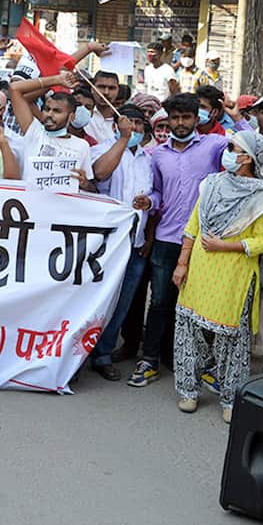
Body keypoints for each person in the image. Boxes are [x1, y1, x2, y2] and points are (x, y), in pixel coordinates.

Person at [172, 129, 263, 421]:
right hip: (200, 270)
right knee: (188, 330)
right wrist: (182, 262)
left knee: (233, 339)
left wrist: (224, 245)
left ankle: (231, 398)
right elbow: (193, 225)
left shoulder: (262, 196)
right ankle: (188, 391)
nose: (227, 152)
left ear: (247, 157)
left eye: (233, 148)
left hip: (235, 276)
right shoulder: (212, 184)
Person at [128, 93, 228, 388]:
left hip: (204, 241)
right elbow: (158, 192)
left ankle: (192, 361)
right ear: (167, 119)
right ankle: (150, 360)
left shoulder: (215, 146)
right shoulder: (157, 155)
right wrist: (149, 200)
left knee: (199, 305)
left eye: (186, 117)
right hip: (167, 237)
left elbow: (247, 146)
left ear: (198, 119)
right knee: (160, 302)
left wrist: (234, 116)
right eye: (175, 117)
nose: (180, 123)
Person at [88, 107, 154, 379]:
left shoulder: (148, 159)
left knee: (122, 303)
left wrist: (148, 238)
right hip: (105, 245)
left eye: (139, 125)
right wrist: (123, 140)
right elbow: (100, 174)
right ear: (117, 124)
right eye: (129, 123)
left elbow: (155, 199)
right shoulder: (101, 149)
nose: (135, 128)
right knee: (97, 301)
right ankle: (80, 350)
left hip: (135, 244)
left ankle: (103, 353)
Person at [7, 73, 94, 184]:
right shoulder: (34, 132)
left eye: (57, 111)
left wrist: (85, 183)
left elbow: (90, 186)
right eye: (47, 109)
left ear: (71, 117)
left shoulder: (82, 146)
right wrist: (56, 80)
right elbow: (14, 88)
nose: (49, 114)